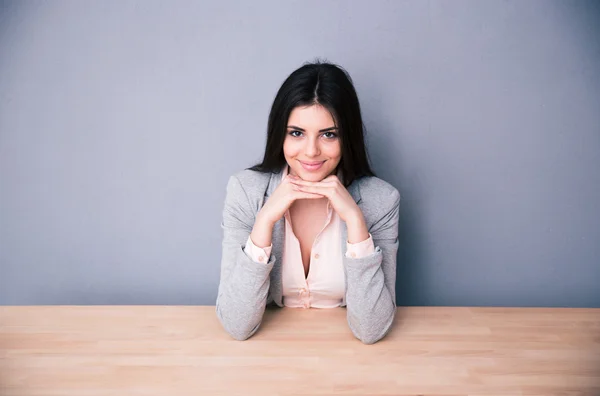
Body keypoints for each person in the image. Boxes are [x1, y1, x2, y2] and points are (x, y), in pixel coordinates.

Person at [215, 60, 401, 344]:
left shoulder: (381, 200)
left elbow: (371, 329)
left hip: (345, 360)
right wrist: (264, 221)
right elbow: (237, 324)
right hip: (269, 357)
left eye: (329, 134)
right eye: (297, 133)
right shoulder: (245, 190)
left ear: (346, 137)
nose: (311, 151)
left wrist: (355, 220)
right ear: (280, 135)